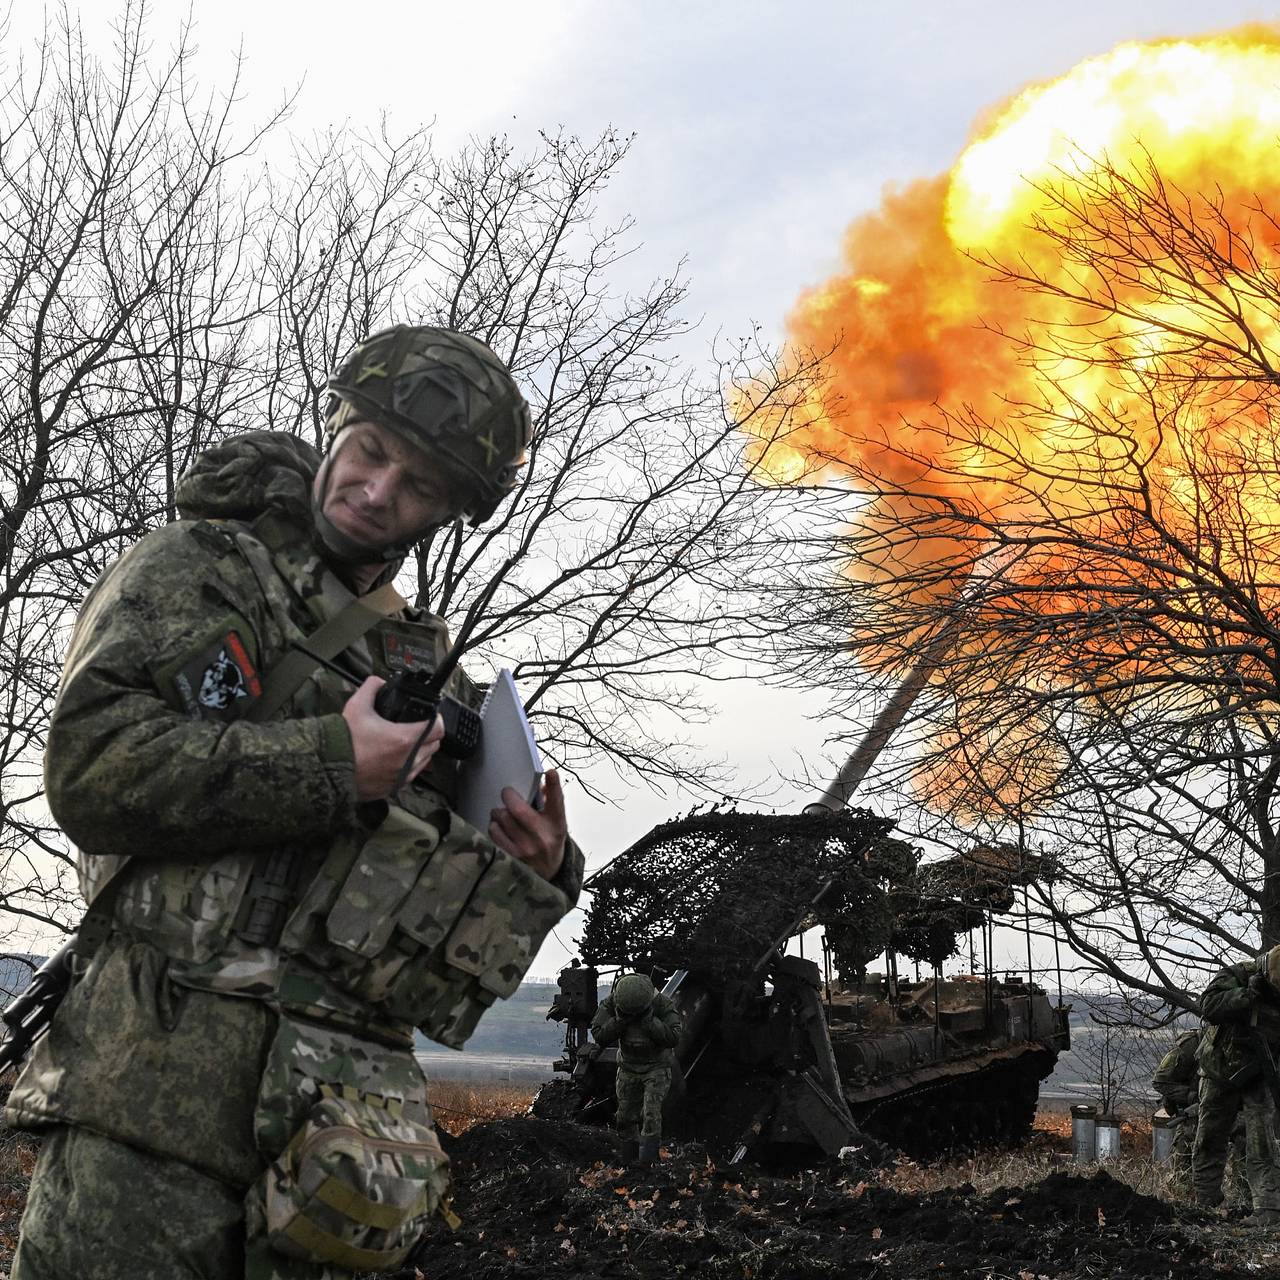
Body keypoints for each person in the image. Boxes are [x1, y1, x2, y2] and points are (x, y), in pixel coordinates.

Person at [5, 325, 585, 1279]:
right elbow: (91, 771)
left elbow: (422, 918)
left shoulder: (423, 667)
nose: (378, 491)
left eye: (418, 485)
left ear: (449, 511)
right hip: (148, 1125)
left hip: (337, 1155)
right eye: (370, 451)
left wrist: (532, 865)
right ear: (338, 425)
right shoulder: (202, 568)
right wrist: (333, 763)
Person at [1193, 946, 1280, 1227]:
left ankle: (1267, 1208)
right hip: (1219, 1068)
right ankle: (1205, 1203)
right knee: (1210, 1137)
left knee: (1261, 1142)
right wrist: (1246, 995)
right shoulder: (1240, 975)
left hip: (1261, 1072)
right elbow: (1208, 1006)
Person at [590, 972, 683, 1166]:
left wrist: (649, 1022)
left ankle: (648, 1163)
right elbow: (599, 1034)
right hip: (628, 1067)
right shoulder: (613, 1002)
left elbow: (673, 1037)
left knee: (651, 1115)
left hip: (656, 1068)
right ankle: (629, 1162)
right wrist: (619, 1021)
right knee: (624, 1117)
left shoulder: (662, 1004)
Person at [1153, 1026, 1247, 1201]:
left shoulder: (1246, 1043)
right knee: (1184, 1165)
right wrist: (1191, 1096)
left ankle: (1242, 1201)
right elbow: (1160, 1081)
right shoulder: (1192, 1044)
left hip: (1231, 1111)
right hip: (1192, 1116)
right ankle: (1185, 1202)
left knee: (1246, 1145)